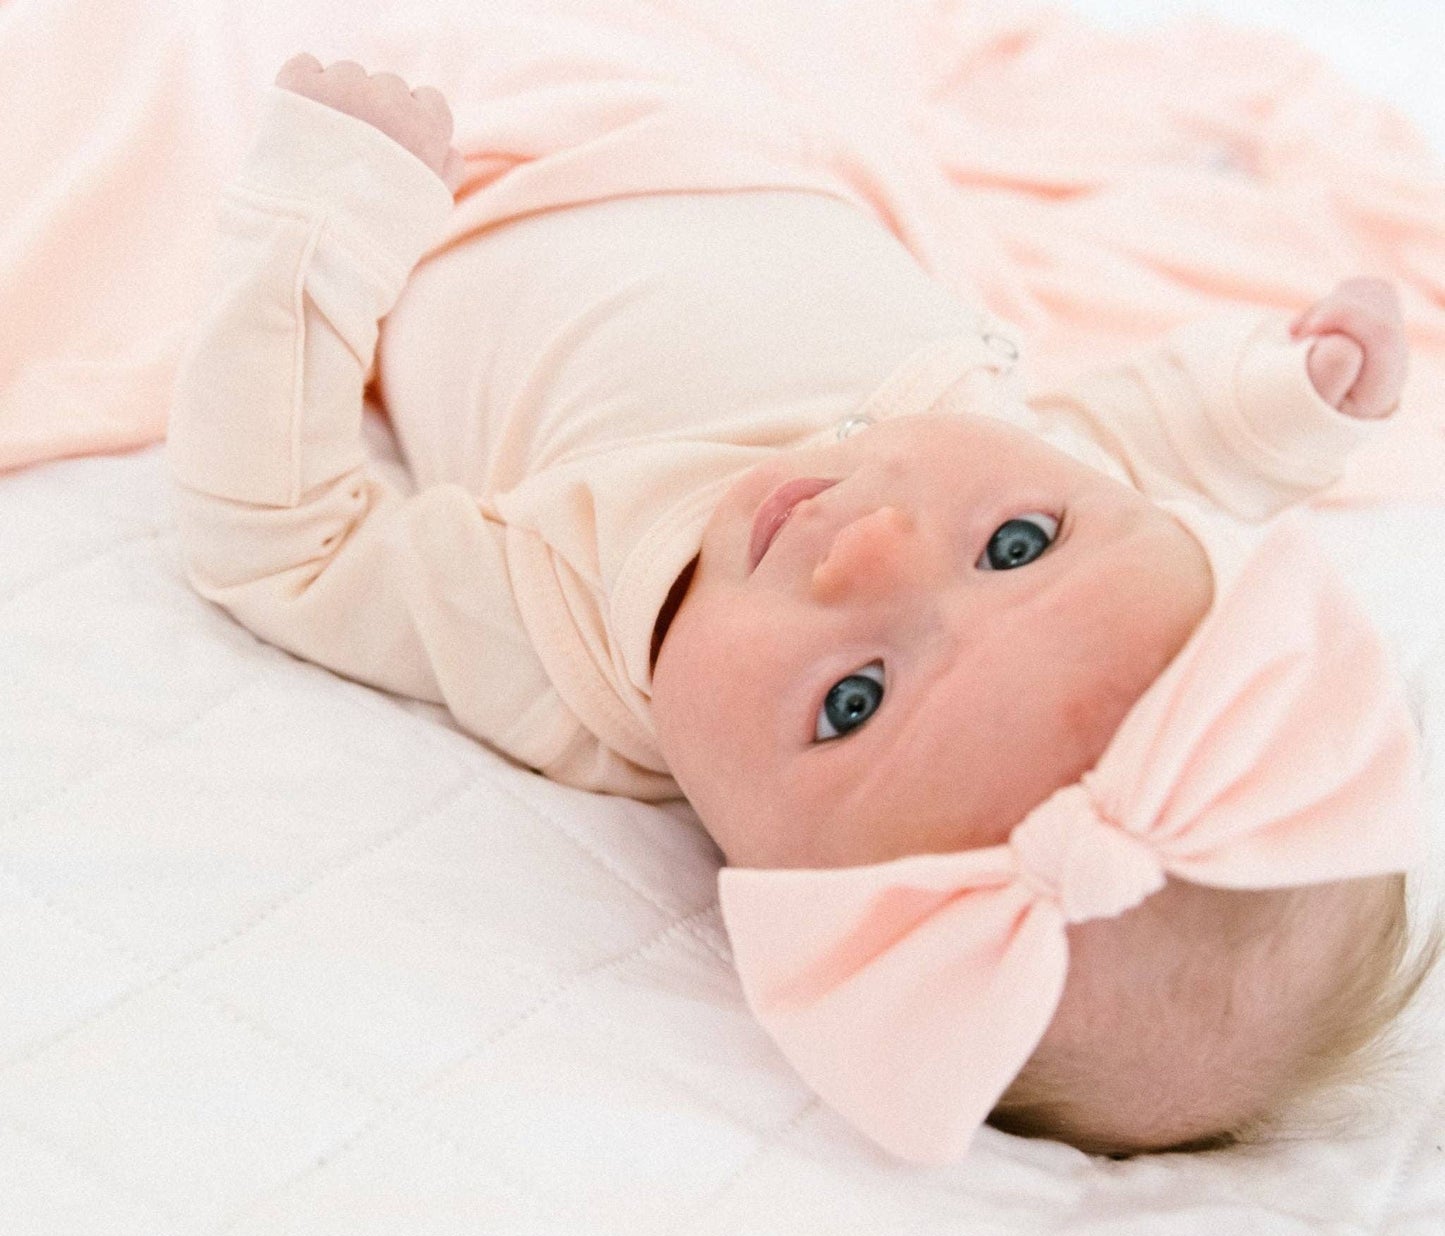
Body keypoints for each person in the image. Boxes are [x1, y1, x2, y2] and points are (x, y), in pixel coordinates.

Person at [166, 55, 1437, 1162]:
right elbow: (1132, 437)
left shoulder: (553, 640)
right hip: (759, 120)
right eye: (1015, 543)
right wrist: (1282, 407)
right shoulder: (994, 445)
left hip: (478, 141)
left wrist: (321, 224)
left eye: (853, 700)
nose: (866, 545)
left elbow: (279, 537)